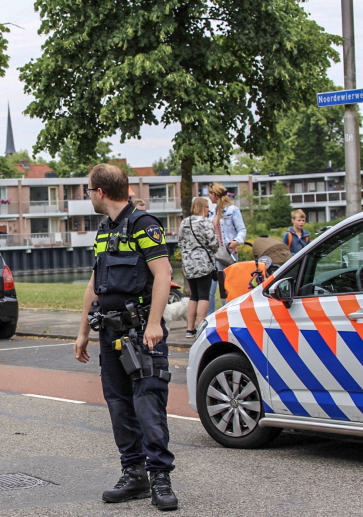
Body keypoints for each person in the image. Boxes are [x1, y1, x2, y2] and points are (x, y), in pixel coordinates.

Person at [74, 163, 178, 511]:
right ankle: (133, 475)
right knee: (119, 405)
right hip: (110, 332)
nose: (88, 196)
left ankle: (159, 477)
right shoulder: (104, 230)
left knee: (148, 403)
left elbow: (162, 274)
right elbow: (95, 284)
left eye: (89, 190)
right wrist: (83, 332)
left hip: (141, 333)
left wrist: (154, 323)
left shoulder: (143, 225)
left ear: (101, 192)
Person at [177, 198, 218, 338]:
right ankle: (201, 327)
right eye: (206, 207)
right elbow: (214, 243)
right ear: (201, 207)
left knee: (194, 295)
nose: (208, 209)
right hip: (203, 264)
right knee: (204, 295)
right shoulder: (205, 222)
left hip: (188, 265)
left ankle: (190, 329)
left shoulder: (184, 222)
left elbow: (180, 243)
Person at [207, 182, 246, 313]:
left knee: (227, 289)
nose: (209, 197)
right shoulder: (212, 213)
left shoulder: (232, 210)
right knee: (210, 290)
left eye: (209, 194)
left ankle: (228, 315)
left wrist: (236, 241)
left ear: (214, 194)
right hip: (214, 254)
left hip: (228, 254)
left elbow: (242, 230)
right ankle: (210, 317)